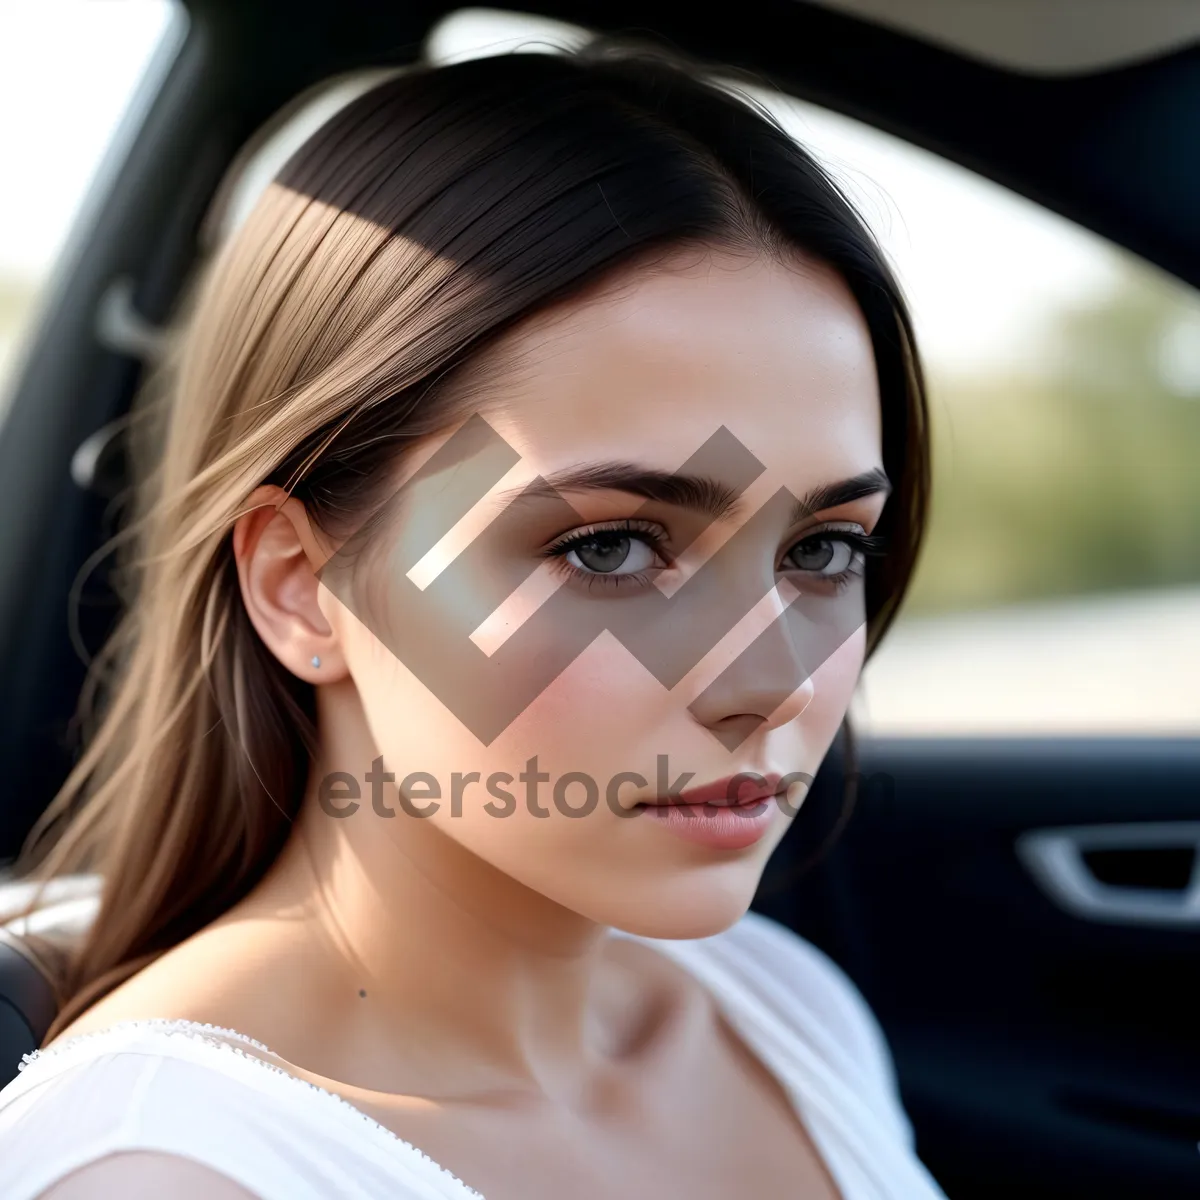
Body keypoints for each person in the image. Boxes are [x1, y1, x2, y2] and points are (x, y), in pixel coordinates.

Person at [0, 39, 946, 1200]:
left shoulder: (783, 1011)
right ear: (301, 584)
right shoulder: (160, 1175)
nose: (772, 680)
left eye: (822, 549)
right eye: (609, 548)